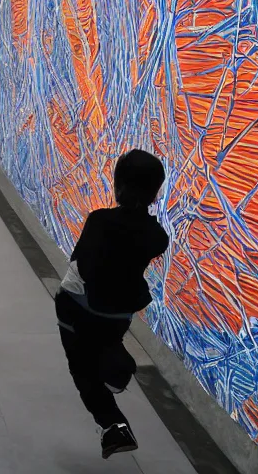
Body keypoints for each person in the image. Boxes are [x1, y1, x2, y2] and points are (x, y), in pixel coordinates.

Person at [55, 149, 168, 459]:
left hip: (79, 309)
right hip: (119, 313)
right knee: (104, 344)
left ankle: (113, 425)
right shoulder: (158, 236)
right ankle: (114, 362)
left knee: (82, 369)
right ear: (156, 192)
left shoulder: (100, 221)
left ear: (118, 185)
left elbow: (81, 263)